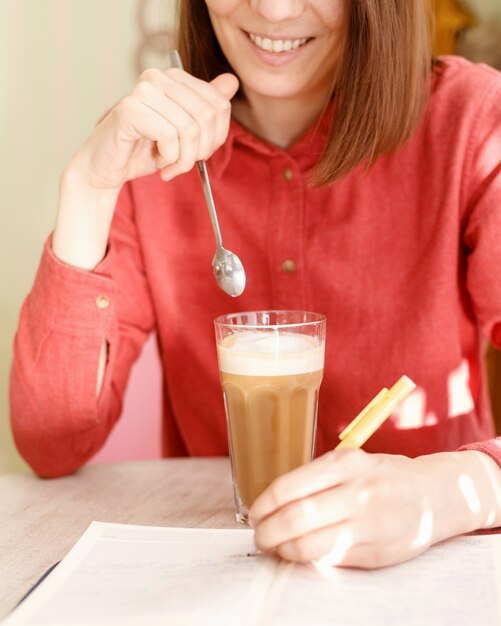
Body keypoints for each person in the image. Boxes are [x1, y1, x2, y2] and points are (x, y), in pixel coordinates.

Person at [10, 0, 501, 569]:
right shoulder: (147, 153)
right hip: (225, 566)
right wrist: (88, 187)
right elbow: (52, 444)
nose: (272, 9)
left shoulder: (472, 122)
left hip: (436, 569)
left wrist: (446, 491)